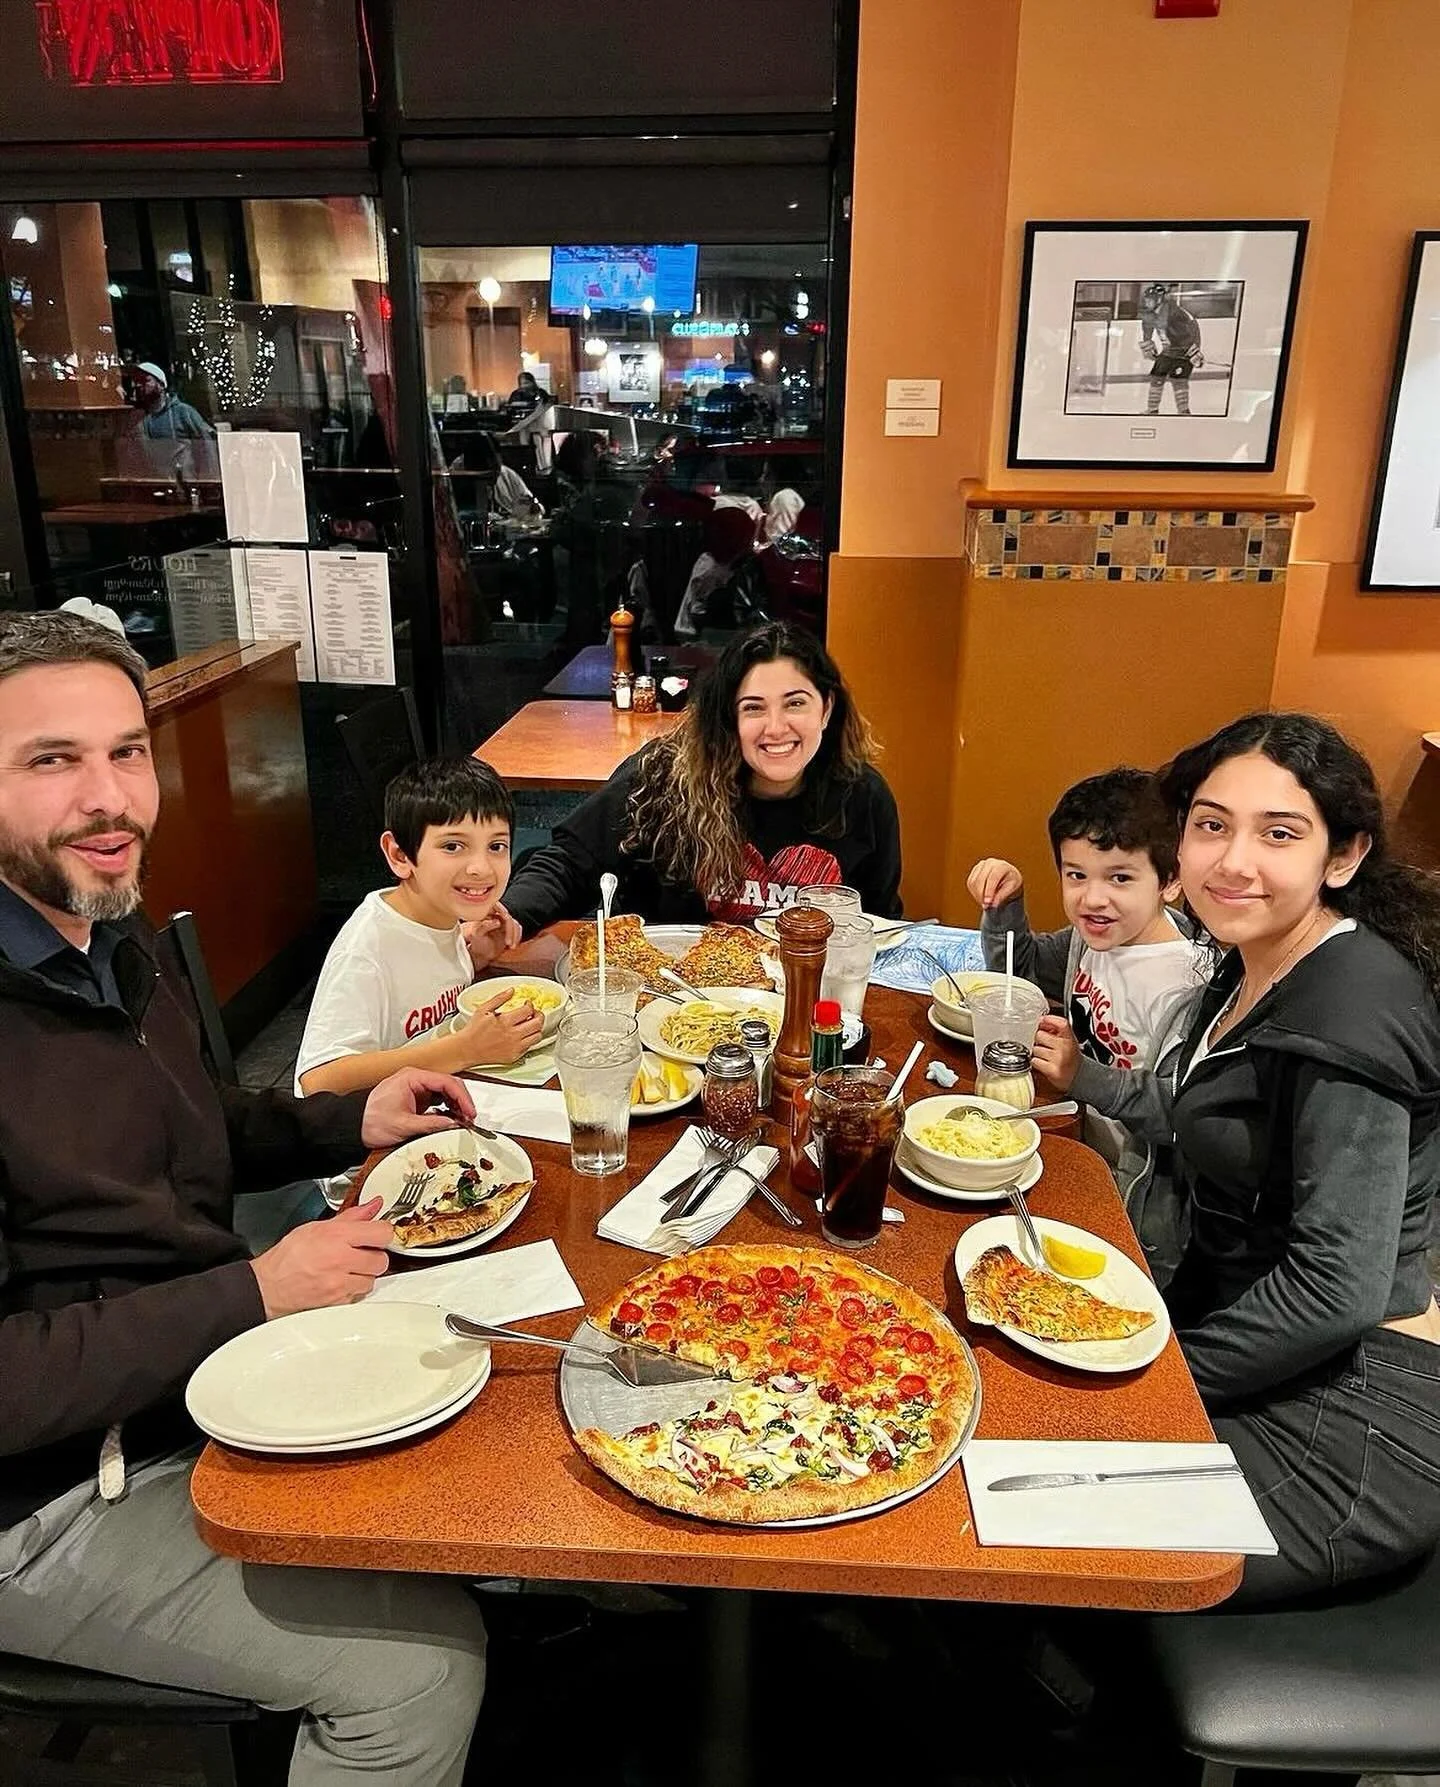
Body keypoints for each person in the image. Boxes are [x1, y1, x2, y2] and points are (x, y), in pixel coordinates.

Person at [0, 612, 487, 1782]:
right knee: (424, 1670)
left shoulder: (108, 936)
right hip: (48, 1497)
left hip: (194, 1391)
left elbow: (200, 1123)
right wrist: (253, 1292)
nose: (109, 797)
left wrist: (346, 1119)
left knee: (468, 1437)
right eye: (50, 760)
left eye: (126, 751)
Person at [1059, 712, 1440, 1605]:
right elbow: (1207, 1123)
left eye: (1280, 833)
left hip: (1351, 1415)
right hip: (1266, 1352)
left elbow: (1337, 1289)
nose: (1233, 860)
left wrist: (1157, 1379)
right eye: (1211, 823)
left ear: (1341, 857)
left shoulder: (1350, 1006)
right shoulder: (1252, 959)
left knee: (1020, 1506)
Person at [967, 769, 1208, 1282]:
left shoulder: (1188, 984)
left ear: (1170, 880)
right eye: (1075, 875)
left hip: (1138, 1208)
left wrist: (1084, 1076)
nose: (1092, 899)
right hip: (1075, 1153)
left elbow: (1182, 1118)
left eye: (1119, 878)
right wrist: (1006, 906)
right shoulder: (1095, 938)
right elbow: (1021, 974)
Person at [503, 620, 902, 931]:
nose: (776, 727)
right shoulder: (663, 776)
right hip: (669, 1001)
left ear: (827, 709)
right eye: (753, 708)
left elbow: (880, 922)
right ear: (728, 717)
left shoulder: (864, 797)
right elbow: (569, 862)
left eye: (795, 703)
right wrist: (511, 916)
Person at [297, 756, 539, 1096]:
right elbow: (318, 1080)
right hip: (379, 1138)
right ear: (399, 855)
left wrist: (474, 958)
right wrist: (464, 1049)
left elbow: (426, 989)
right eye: (453, 846)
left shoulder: (440, 914)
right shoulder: (367, 949)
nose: (481, 868)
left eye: (496, 846)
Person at [1137, 282, 1202, 418]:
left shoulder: (1174, 314)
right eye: (1146, 299)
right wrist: (1148, 346)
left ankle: (1184, 411)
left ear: (1158, 300)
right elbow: (1147, 329)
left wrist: (1193, 352)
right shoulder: (1152, 313)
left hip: (1183, 351)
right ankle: (1153, 409)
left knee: (1179, 381)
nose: (1147, 302)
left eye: (1150, 300)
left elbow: (1189, 333)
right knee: (1156, 378)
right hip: (1169, 351)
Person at [127, 360, 215, 440]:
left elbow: (206, 444)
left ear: (161, 385)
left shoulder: (183, 412)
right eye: (136, 381)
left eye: (144, 380)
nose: (138, 385)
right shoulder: (136, 418)